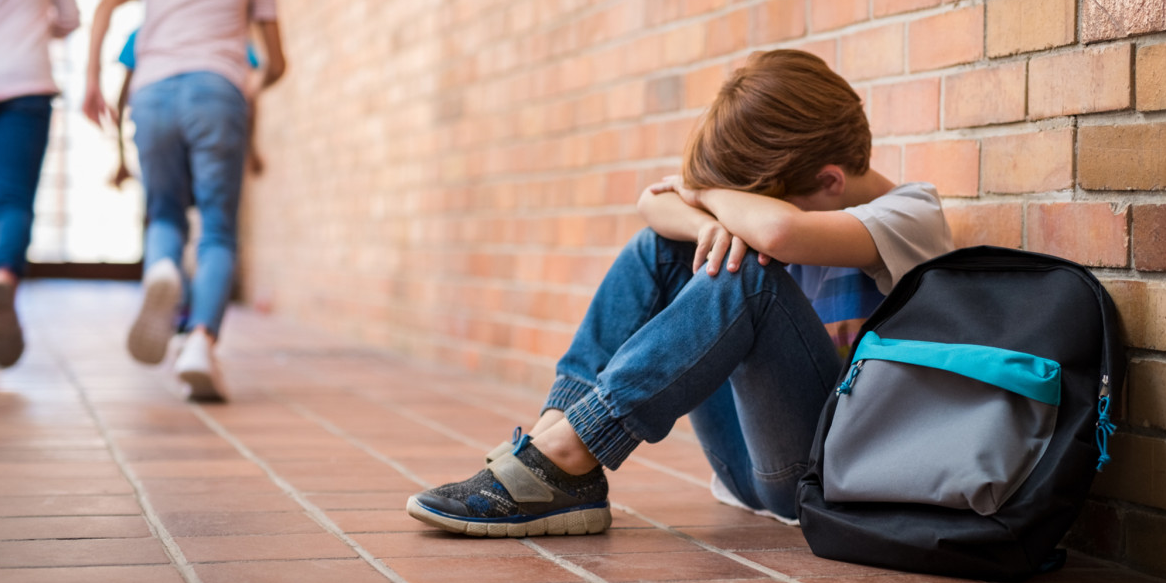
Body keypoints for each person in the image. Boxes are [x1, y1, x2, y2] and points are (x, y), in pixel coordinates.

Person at [407, 49, 955, 537]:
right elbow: (652, 204)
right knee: (664, 246)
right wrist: (701, 219)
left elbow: (778, 232)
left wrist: (702, 194)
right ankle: (557, 449)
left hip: (824, 474)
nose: (744, 211)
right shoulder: (793, 206)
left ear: (831, 182)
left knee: (748, 274)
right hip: (747, 466)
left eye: (761, 201)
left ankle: (570, 449)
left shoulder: (911, 214)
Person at [82, 0, 285, 401]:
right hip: (216, 91)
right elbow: (277, 61)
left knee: (164, 215)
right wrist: (254, 82)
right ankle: (199, 342)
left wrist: (91, 77)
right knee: (216, 229)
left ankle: (161, 269)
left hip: (151, 94)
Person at [0, 0, 80, 369]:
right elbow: (70, 17)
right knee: (13, 200)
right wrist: (40, 23)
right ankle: (4, 273)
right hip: (27, 81)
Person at [111, 28, 266, 189]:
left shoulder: (144, 32)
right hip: (208, 119)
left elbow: (122, 100)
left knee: (164, 206)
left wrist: (121, 159)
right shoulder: (227, 27)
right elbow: (247, 94)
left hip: (165, 124)